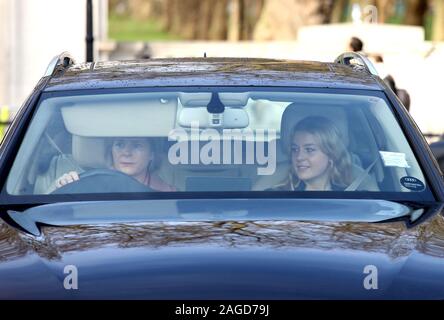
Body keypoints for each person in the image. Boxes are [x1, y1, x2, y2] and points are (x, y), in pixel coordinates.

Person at [56, 137, 175, 191]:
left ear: (151, 154)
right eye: (119, 145)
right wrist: (67, 187)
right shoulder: (86, 184)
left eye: (137, 145)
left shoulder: (166, 194)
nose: (126, 153)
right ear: (111, 151)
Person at [274, 116, 354, 191]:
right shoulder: (275, 197)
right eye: (294, 149)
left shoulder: (352, 197)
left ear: (331, 155)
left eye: (309, 150)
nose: (299, 157)